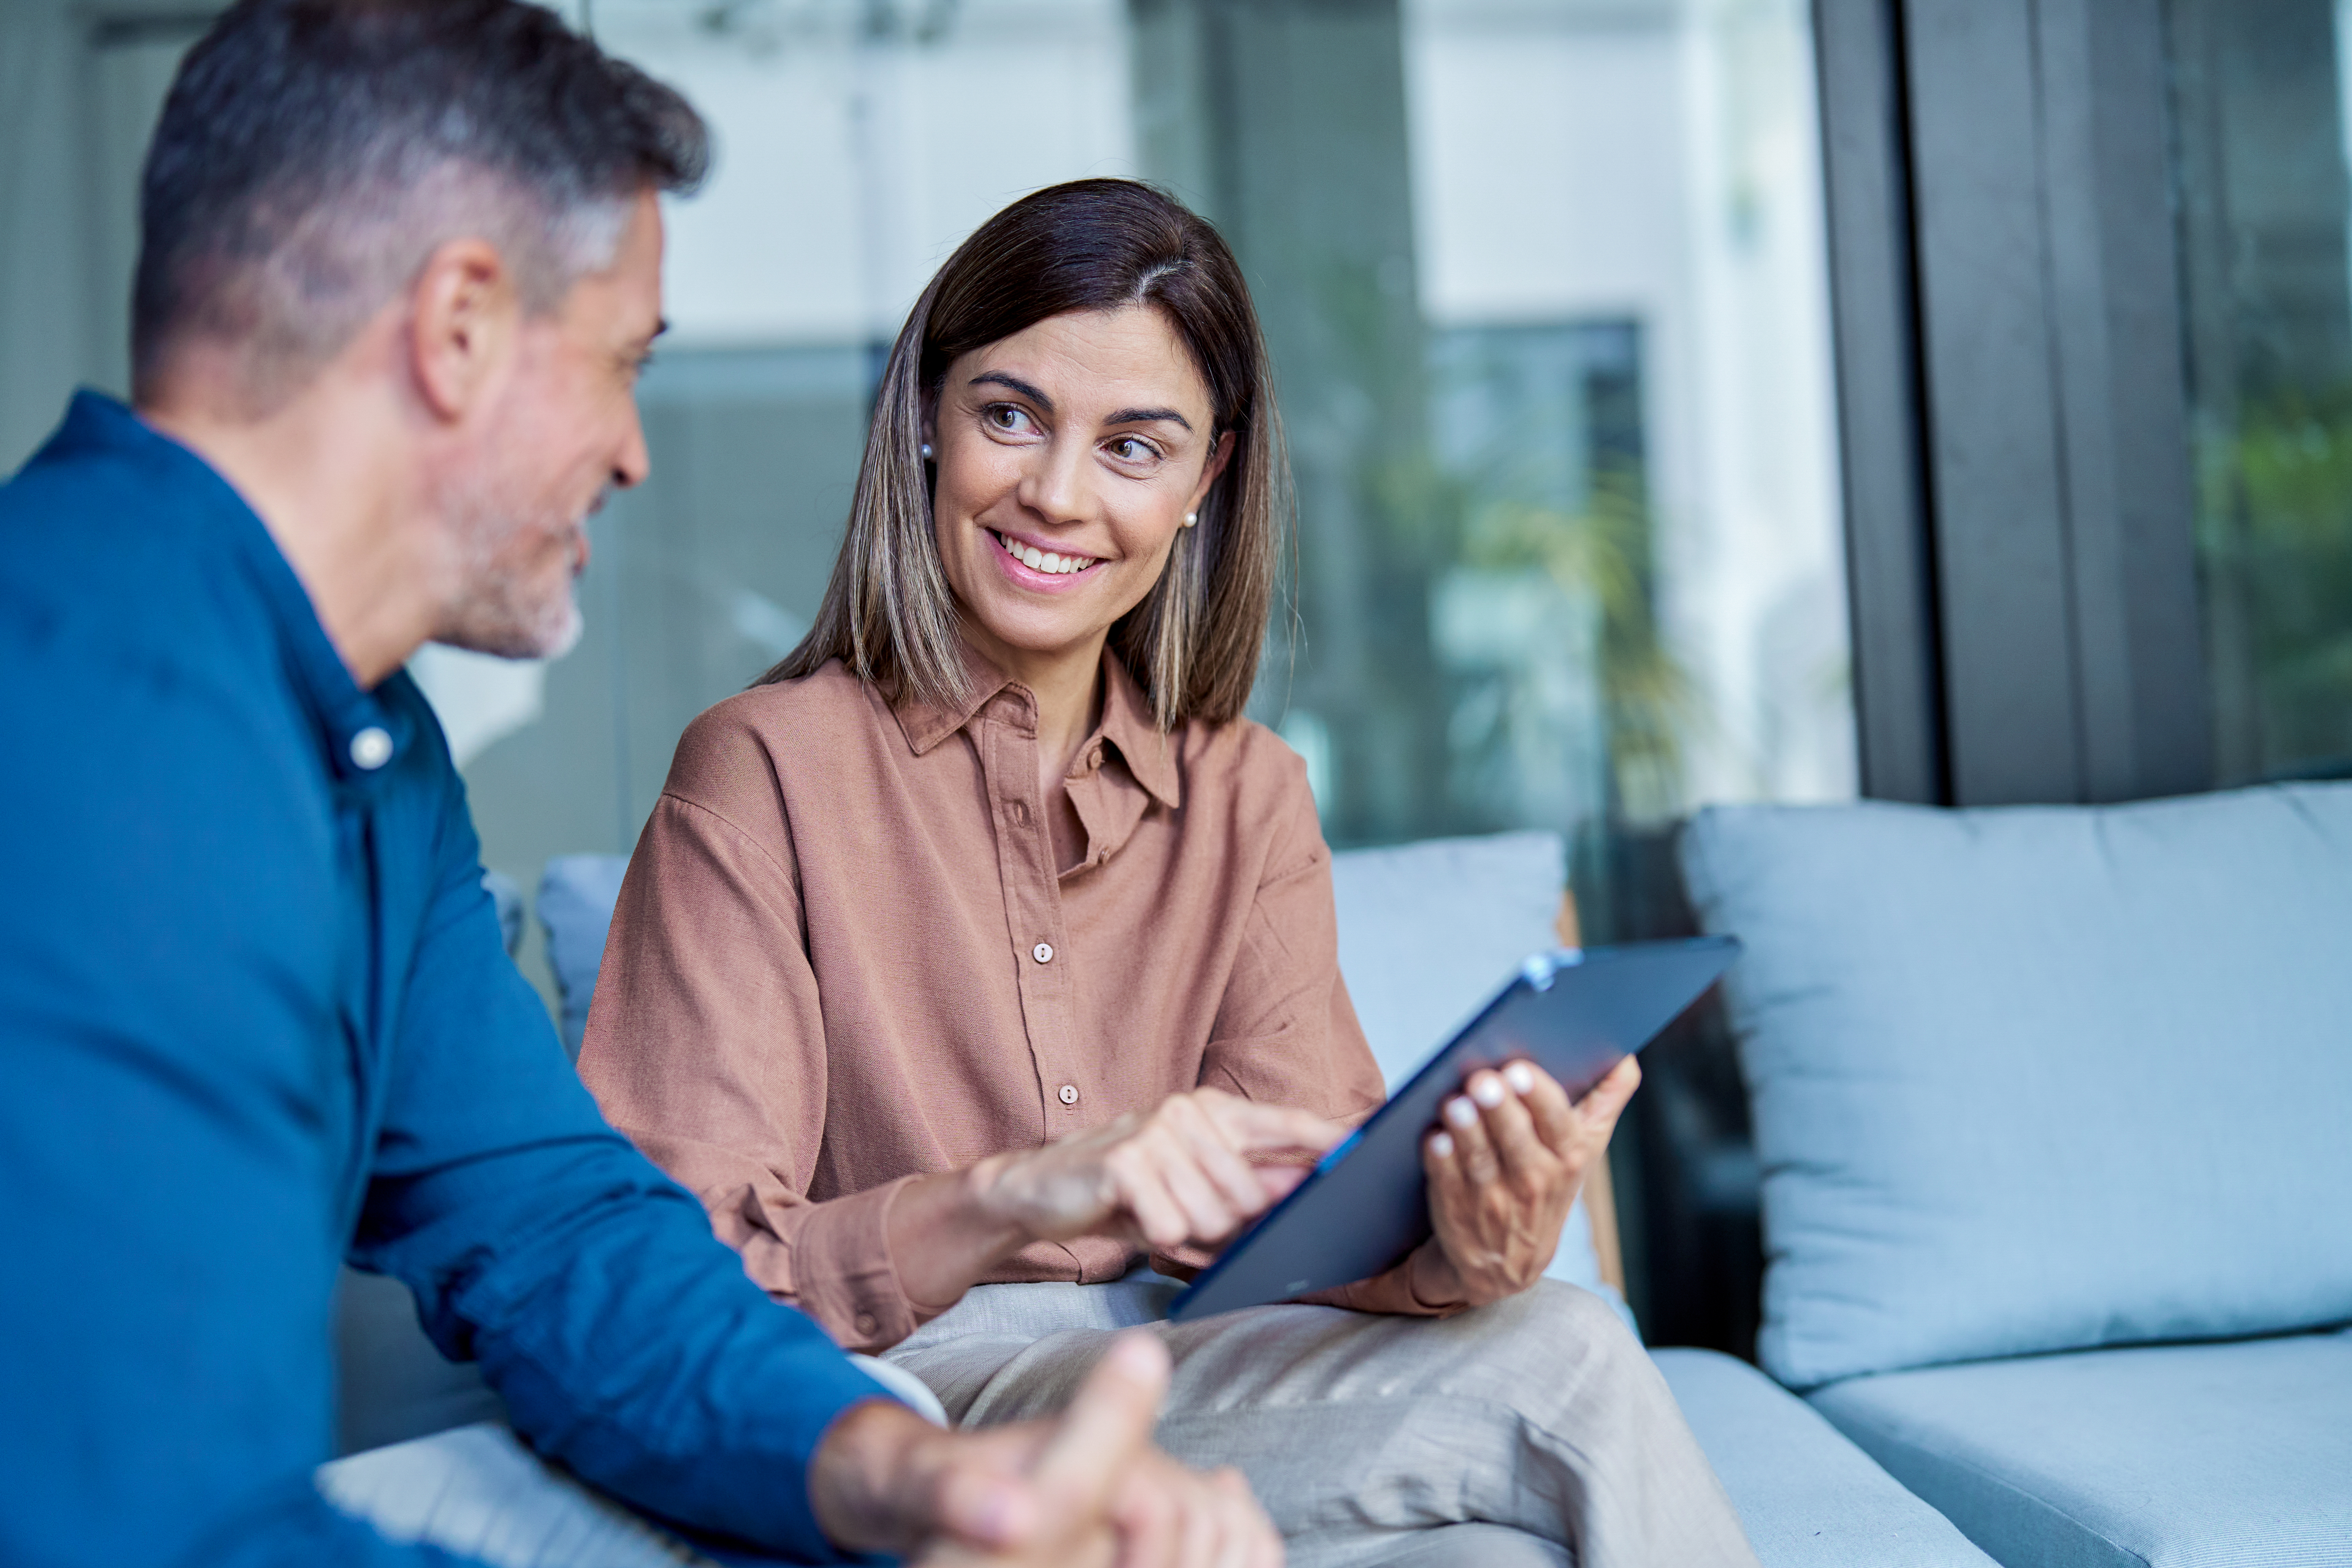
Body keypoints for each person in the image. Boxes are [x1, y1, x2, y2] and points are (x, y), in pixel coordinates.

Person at [0, 5, 1282, 1565]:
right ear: (458, 326)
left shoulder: (366, 747)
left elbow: (555, 1236)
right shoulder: (73, 720)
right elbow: (137, 1526)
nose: (632, 454)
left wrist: (903, 1476)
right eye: (621, 364)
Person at [578, 179, 1760, 1567]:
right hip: (917, 1396)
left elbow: (1322, 1225)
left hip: (1205, 1371)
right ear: (923, 421)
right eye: (1008, 414)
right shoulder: (760, 768)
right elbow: (670, 1280)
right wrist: (1023, 1189)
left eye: (1134, 446)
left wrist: (1473, 1234)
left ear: (1207, 480)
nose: (1057, 494)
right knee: (1564, 1362)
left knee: (1526, 1410)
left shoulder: (1247, 791)